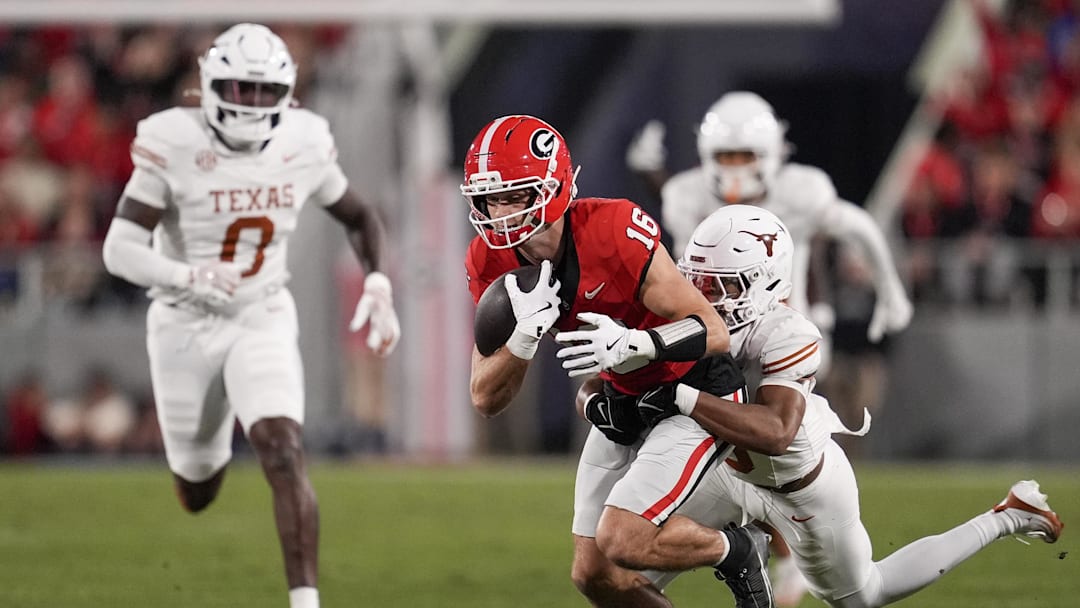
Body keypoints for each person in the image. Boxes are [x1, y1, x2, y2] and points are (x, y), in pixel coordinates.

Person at [101, 23, 400, 608]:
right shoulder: (175, 142)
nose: (254, 103)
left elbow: (360, 215)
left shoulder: (302, 142)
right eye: (242, 88)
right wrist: (187, 275)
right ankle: (203, 446)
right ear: (212, 85)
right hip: (184, 321)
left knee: (283, 448)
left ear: (287, 92)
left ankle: (305, 602)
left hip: (260, 314)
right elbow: (119, 249)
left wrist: (379, 281)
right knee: (197, 488)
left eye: (266, 91)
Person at [631, 204, 1064, 608]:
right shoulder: (686, 320)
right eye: (698, 281)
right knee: (624, 567)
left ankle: (1007, 516)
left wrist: (682, 397)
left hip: (799, 486)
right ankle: (738, 550)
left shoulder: (788, 332)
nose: (705, 296)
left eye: (722, 285)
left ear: (766, 283)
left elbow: (776, 432)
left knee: (863, 594)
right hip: (726, 472)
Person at [462, 114, 773, 608]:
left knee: (622, 539)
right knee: (594, 577)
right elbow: (485, 396)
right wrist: (524, 337)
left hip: (690, 390)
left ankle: (736, 550)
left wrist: (639, 344)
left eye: (514, 195)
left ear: (553, 186)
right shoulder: (488, 259)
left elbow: (713, 330)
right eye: (489, 199)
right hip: (623, 399)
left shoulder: (612, 230)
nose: (500, 213)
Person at [629, 91, 915, 604]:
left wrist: (889, 292)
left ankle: (783, 549)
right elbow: (680, 270)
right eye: (726, 156)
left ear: (772, 154)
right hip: (715, 339)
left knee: (772, 450)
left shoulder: (800, 192)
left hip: (783, 334)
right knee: (735, 453)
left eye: (746, 155)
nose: (735, 169)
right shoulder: (687, 196)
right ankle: (758, 547)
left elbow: (854, 226)